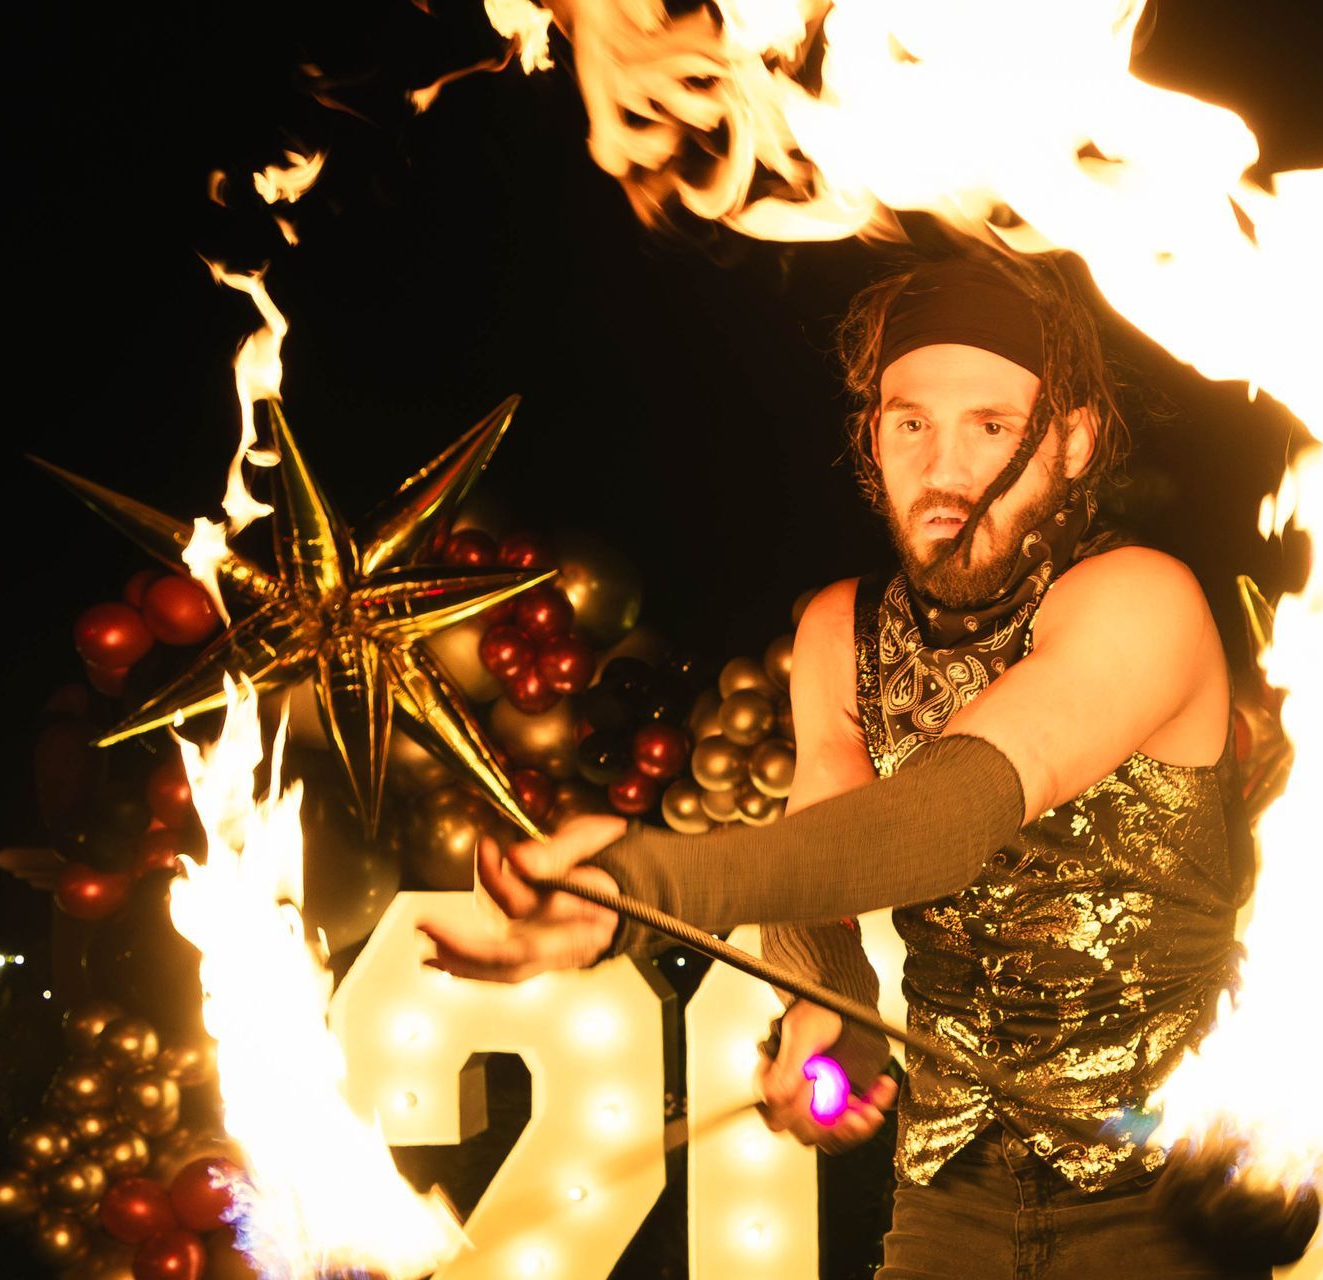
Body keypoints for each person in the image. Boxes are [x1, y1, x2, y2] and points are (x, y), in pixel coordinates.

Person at [422, 254, 1251, 1276]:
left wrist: (645, 882)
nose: (944, 468)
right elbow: (823, 870)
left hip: (1161, 1204)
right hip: (950, 1196)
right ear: (872, 437)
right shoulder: (840, 631)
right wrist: (828, 1005)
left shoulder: (1142, 599)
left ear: (1072, 442)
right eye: (912, 424)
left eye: (992, 426)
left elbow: (952, 813)